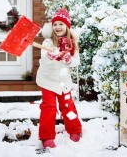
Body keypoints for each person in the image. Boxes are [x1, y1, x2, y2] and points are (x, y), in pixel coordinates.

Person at [36, 8, 82, 149]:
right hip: (47, 80)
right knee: (49, 108)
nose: (57, 27)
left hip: (63, 81)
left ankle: (75, 130)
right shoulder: (48, 42)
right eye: (55, 24)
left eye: (61, 24)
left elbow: (76, 61)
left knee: (67, 106)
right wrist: (50, 57)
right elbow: (42, 61)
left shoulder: (72, 42)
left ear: (67, 26)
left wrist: (69, 60)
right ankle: (46, 137)